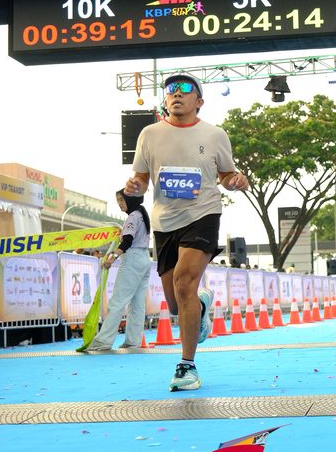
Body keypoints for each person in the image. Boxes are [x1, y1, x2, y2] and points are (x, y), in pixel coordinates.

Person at [125, 73, 248, 391]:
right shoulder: (149, 134)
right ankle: (200, 306)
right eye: (171, 90)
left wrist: (236, 180)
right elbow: (141, 178)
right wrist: (135, 186)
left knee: (184, 281)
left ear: (199, 101)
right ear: (165, 99)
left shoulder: (215, 134)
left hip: (203, 214)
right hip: (165, 222)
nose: (176, 93)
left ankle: (186, 366)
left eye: (185, 89)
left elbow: (226, 174)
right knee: (177, 304)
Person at [87, 190, 151, 351]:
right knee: (137, 303)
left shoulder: (133, 217)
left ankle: (103, 341)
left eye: (122, 200)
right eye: (118, 201)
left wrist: (112, 258)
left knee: (117, 301)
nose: (120, 204)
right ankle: (133, 341)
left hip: (133, 258)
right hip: (144, 258)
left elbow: (127, 241)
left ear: (130, 199)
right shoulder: (142, 216)